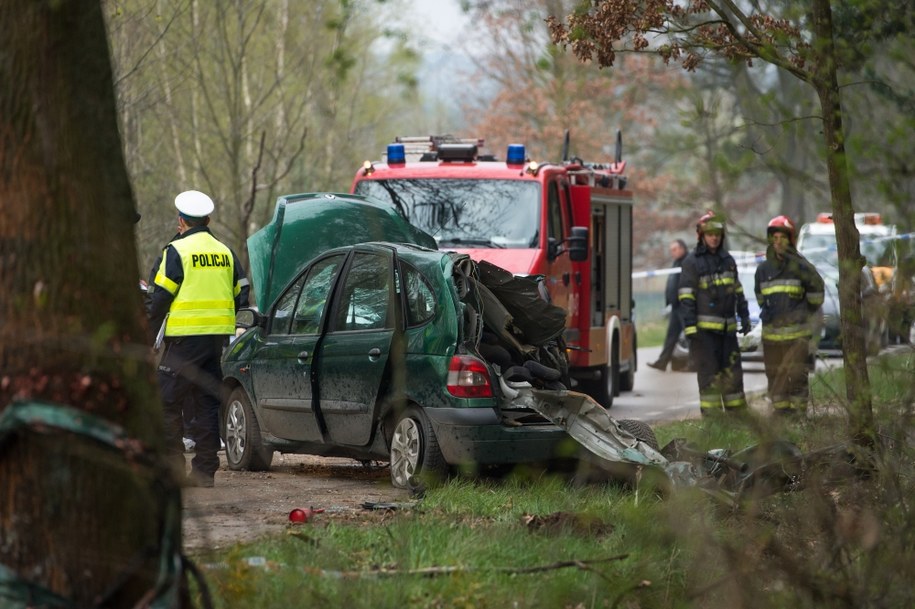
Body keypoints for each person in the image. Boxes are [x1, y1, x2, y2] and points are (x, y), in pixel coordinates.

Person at [147, 190, 249, 487]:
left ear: (181, 221)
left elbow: (160, 299)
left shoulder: (175, 251)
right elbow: (241, 295)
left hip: (183, 342)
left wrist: (147, 333)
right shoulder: (225, 252)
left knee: (165, 401)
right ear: (208, 219)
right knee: (206, 403)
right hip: (215, 342)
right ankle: (205, 471)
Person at [678, 211, 751, 415]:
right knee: (709, 380)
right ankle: (713, 424)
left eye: (717, 233)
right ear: (701, 235)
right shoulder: (692, 263)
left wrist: (744, 315)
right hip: (705, 336)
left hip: (728, 334)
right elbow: (686, 297)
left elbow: (737, 291)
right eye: (710, 234)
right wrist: (691, 328)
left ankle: (738, 421)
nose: (714, 237)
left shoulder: (727, 260)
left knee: (733, 377)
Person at [755, 215, 824, 415]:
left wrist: (802, 314)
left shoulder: (802, 268)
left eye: (782, 238)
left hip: (797, 337)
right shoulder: (763, 270)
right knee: (775, 377)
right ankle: (781, 418)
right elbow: (761, 298)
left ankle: (799, 419)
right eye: (774, 238)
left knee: (798, 378)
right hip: (771, 338)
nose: (778, 242)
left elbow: (817, 296)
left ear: (790, 239)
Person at [648, 239, 689, 371]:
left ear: (682, 248)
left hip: (684, 305)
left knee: (690, 336)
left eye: (675, 249)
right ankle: (662, 362)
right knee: (671, 336)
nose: (672, 253)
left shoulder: (687, 262)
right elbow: (672, 283)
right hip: (676, 306)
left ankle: (695, 363)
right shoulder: (676, 262)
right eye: (671, 250)